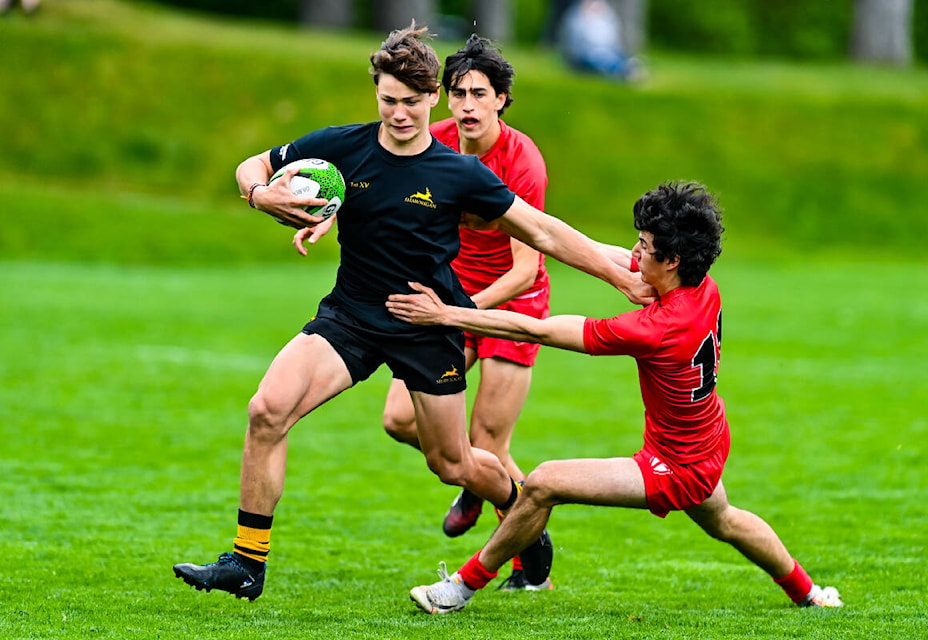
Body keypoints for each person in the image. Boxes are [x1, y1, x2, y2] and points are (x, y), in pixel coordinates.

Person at [172, 22, 654, 602]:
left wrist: (620, 276)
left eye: (410, 102)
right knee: (266, 411)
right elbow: (251, 165)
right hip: (350, 317)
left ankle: (521, 512)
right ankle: (248, 564)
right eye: (387, 101)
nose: (398, 114)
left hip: (427, 323)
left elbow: (545, 234)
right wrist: (262, 194)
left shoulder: (460, 173)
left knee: (451, 463)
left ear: (431, 98)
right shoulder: (344, 145)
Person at [388, 181, 844, 613]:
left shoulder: (656, 328)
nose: (634, 252)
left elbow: (537, 329)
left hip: (674, 466)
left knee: (544, 482)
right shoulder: (702, 286)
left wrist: (447, 314)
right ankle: (809, 594)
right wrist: (532, 227)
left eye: (643, 246)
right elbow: (606, 256)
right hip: (707, 440)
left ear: (672, 261)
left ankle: (460, 588)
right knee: (726, 520)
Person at [385, 34, 552, 591]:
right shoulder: (431, 141)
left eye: (480, 94)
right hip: (451, 291)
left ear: (502, 99)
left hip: (512, 299)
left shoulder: (522, 160)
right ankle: (479, 479)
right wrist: (327, 215)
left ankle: (530, 566)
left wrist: (455, 314)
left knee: (488, 440)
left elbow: (526, 270)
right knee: (399, 420)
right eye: (458, 93)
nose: (467, 106)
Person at [558, 0, 644, 82]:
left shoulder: (607, 17)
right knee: (600, 57)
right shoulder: (576, 18)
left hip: (607, 49)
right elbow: (574, 45)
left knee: (616, 54)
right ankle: (623, 70)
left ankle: (629, 66)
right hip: (586, 54)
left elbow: (612, 38)